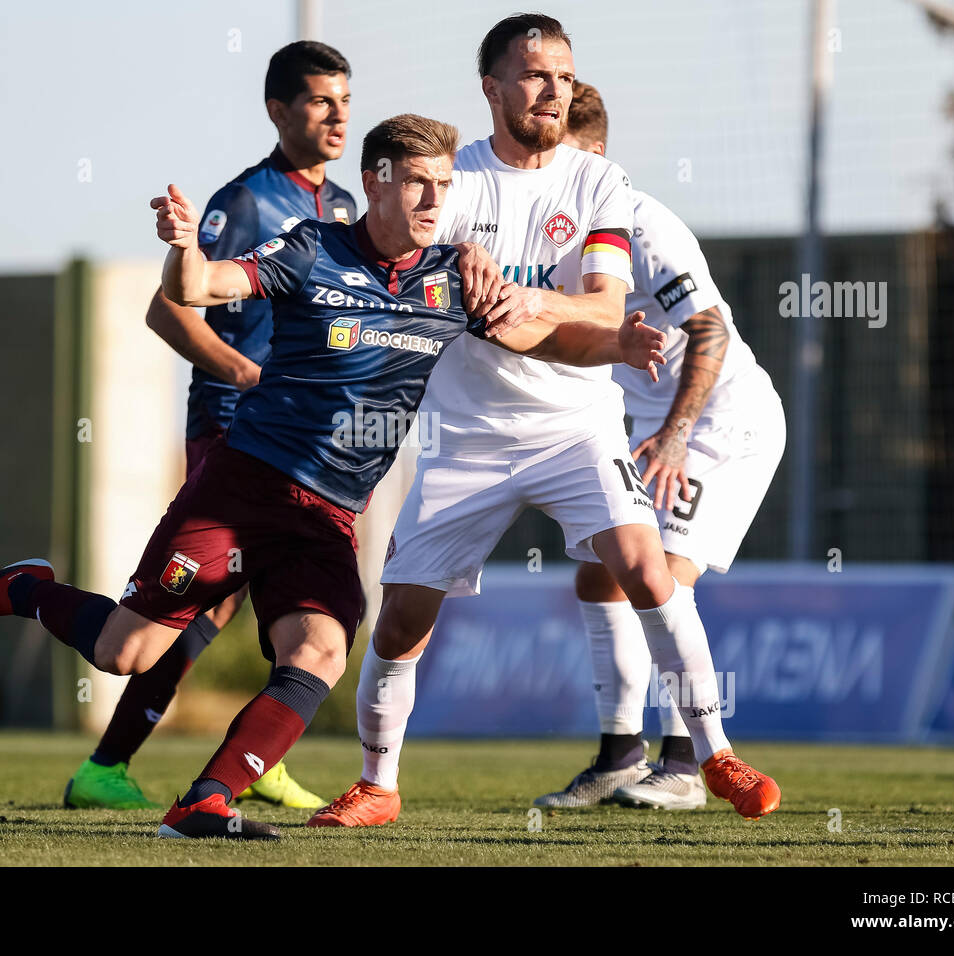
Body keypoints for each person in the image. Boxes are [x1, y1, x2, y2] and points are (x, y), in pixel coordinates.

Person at [0, 113, 668, 840]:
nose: (436, 202)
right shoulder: (313, 250)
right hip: (244, 489)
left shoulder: (453, 275)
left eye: (443, 185)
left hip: (328, 516)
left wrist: (617, 344)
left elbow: (544, 338)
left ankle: (205, 801)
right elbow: (203, 285)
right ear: (375, 185)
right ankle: (26, 587)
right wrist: (182, 249)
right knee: (127, 653)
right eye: (417, 185)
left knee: (319, 650)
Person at [310, 14, 781, 829]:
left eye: (564, 75)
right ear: (492, 89)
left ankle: (713, 755)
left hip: (579, 428)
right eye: (533, 75)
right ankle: (379, 784)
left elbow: (598, 302)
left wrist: (538, 304)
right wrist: (457, 263)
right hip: (469, 438)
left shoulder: (598, 181)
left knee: (647, 567)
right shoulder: (451, 182)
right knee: (400, 621)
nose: (552, 89)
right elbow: (412, 265)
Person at [61, 41, 357, 813]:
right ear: (278, 110)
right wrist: (243, 371)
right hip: (236, 424)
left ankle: (261, 756)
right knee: (210, 602)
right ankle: (106, 766)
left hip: (307, 439)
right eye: (321, 100)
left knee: (283, 600)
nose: (338, 115)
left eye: (345, 100)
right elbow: (168, 308)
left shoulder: (349, 208)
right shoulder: (249, 201)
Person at [532, 81, 787, 811]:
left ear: (598, 156)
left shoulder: (644, 227)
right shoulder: (551, 230)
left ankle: (683, 768)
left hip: (715, 422)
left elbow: (708, 332)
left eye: (567, 164)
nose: (555, 181)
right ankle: (619, 756)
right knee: (597, 580)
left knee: (663, 576)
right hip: (642, 427)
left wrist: (674, 437)